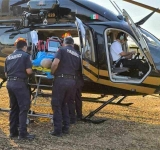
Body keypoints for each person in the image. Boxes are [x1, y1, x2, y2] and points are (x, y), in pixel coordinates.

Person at [4, 38, 35, 140]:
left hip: (10, 83)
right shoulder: (26, 56)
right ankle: (23, 134)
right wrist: (33, 74)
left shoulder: (8, 57)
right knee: (23, 108)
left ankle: (13, 132)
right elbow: (29, 71)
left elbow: (6, 73)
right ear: (25, 47)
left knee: (14, 108)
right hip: (20, 84)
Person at [50, 37, 81, 137]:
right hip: (72, 81)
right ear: (72, 44)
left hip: (61, 80)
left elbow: (55, 63)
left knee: (56, 104)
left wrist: (52, 72)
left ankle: (57, 130)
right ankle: (66, 127)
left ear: (64, 43)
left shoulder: (61, 50)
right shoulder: (77, 54)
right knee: (65, 103)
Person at [68, 44, 84, 124]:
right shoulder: (81, 56)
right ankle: (79, 115)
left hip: (73, 78)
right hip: (79, 79)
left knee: (71, 98)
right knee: (78, 98)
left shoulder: (73, 56)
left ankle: (72, 116)